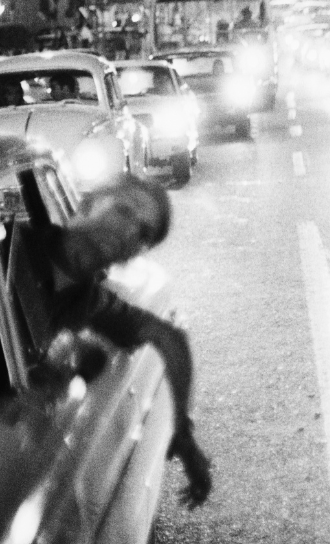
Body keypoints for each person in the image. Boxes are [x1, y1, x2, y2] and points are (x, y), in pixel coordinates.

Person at [19, 174, 212, 506]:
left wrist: (183, 434)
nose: (129, 231)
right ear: (88, 203)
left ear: (136, 253)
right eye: (124, 211)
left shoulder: (87, 299)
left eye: (143, 234)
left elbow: (168, 337)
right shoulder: (14, 252)